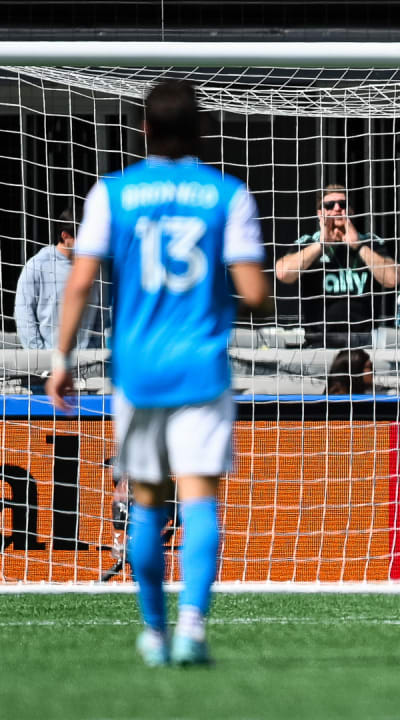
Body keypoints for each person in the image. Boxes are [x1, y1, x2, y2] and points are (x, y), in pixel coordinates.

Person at [45, 79, 271, 665]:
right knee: (199, 500)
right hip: (201, 369)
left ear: (142, 128)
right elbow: (252, 293)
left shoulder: (112, 193)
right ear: (201, 130)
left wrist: (62, 360)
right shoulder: (228, 194)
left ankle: (153, 632)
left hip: (139, 372)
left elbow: (80, 281)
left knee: (146, 501)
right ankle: (193, 627)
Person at [274, 184, 399, 346]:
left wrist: (359, 246)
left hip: (362, 340)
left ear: (351, 211)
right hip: (320, 340)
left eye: (343, 204)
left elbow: (393, 279)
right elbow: (283, 273)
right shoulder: (308, 242)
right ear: (320, 213)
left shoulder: (370, 241)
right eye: (330, 205)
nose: (337, 208)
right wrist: (321, 245)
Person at [15, 208, 102, 349]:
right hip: (49, 364)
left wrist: (92, 351)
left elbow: (100, 313)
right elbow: (24, 315)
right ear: (65, 236)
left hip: (88, 363)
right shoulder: (37, 265)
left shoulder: (92, 266)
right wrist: (41, 358)